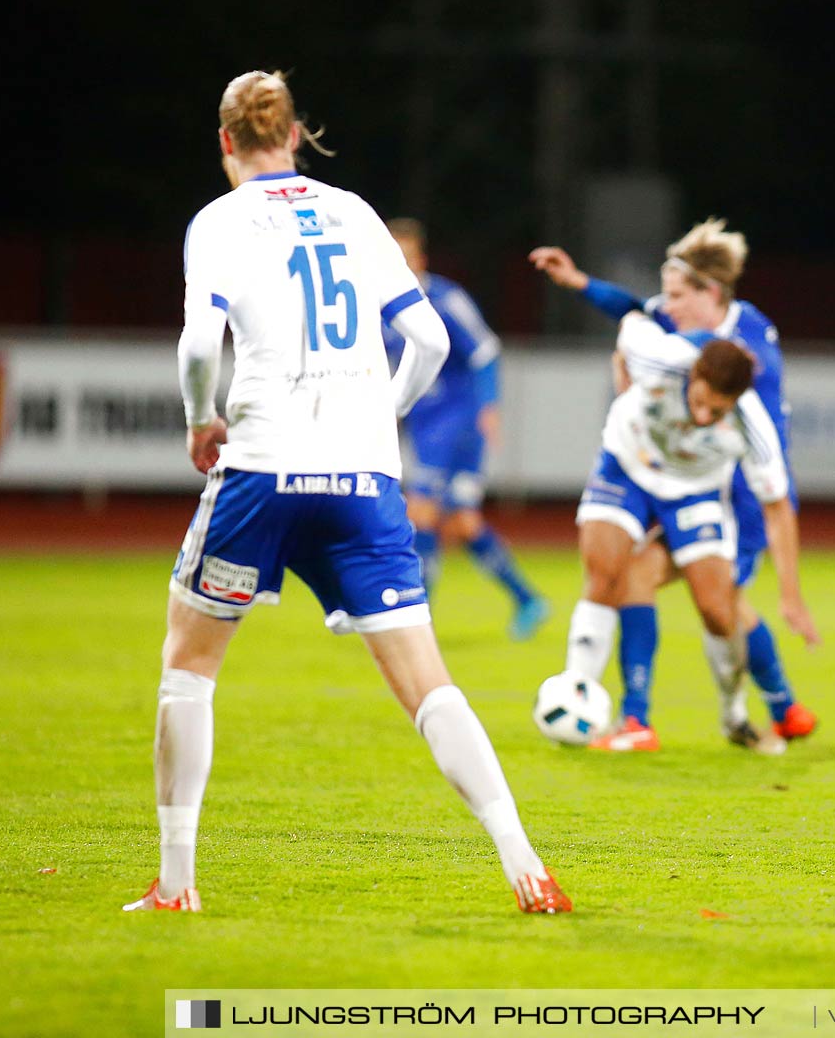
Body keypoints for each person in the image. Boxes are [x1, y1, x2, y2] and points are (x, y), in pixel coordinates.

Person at [127, 70, 569, 915]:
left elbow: (196, 343)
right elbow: (430, 339)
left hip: (261, 470)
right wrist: (379, 415)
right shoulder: (355, 213)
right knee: (428, 684)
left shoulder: (218, 222)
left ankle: (178, 884)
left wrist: (198, 421)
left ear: (226, 142)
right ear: (296, 135)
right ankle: (524, 863)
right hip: (362, 480)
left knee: (189, 668)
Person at [531, 222, 819, 750]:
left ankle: (764, 707)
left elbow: (773, 484)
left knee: (722, 605)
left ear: (710, 294)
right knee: (618, 574)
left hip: (720, 491)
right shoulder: (662, 342)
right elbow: (631, 319)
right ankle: (619, 710)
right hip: (639, 467)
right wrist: (579, 285)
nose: (667, 304)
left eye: (678, 295)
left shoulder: (752, 364)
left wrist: (791, 593)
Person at [382, 218, 549, 641]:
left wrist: (489, 405)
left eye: (405, 256)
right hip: (424, 423)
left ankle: (421, 619)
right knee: (461, 522)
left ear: (419, 258)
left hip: (457, 420)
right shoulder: (379, 303)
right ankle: (527, 599)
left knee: (421, 512)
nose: (397, 263)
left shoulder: (444, 298)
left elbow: (486, 349)